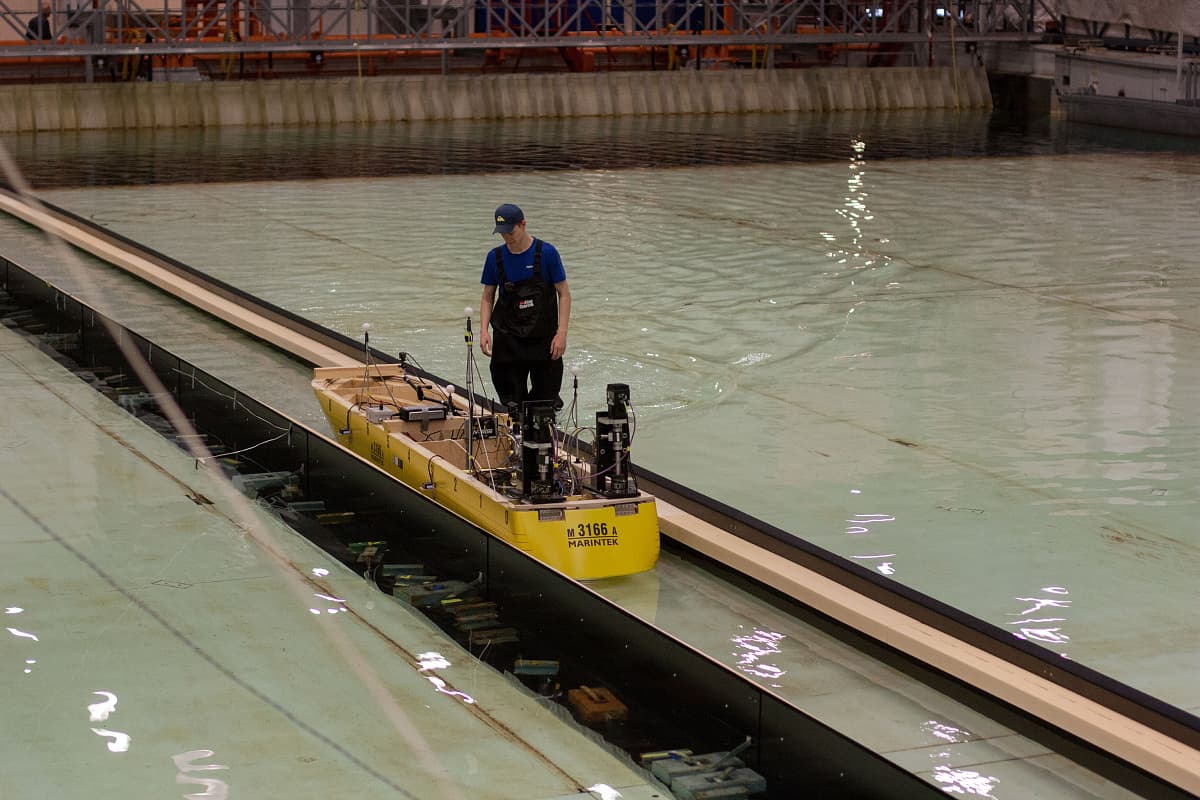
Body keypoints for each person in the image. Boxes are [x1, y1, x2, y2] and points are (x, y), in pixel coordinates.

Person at [479, 203, 571, 412]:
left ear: (523, 224)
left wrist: (562, 333)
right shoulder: (495, 257)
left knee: (545, 403)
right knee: (512, 402)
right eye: (502, 233)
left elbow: (564, 294)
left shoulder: (547, 253)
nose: (507, 237)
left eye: (510, 231)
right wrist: (484, 330)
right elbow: (487, 297)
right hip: (508, 340)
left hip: (543, 339)